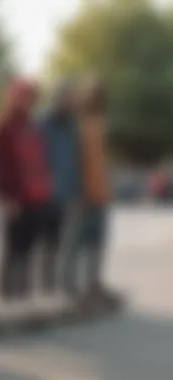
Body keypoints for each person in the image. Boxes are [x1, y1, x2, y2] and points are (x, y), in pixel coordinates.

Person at [0, 79, 54, 302]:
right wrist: (6, 197)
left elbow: (40, 161)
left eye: (28, 97)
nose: (25, 101)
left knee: (29, 247)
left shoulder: (33, 126)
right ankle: (6, 292)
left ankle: (23, 291)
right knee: (13, 248)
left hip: (35, 196)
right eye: (21, 96)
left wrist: (45, 189)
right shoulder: (4, 127)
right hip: (15, 198)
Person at [77, 78, 121, 310]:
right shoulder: (81, 125)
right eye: (94, 94)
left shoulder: (100, 123)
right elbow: (78, 162)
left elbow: (103, 161)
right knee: (83, 242)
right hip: (86, 193)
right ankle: (81, 286)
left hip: (101, 192)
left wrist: (107, 187)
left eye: (100, 95)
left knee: (98, 242)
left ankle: (94, 283)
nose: (97, 98)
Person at [38, 80, 82, 296]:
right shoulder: (42, 123)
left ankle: (64, 284)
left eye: (72, 99)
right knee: (47, 244)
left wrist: (76, 191)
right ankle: (45, 287)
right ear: (56, 99)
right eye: (66, 98)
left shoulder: (72, 125)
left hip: (68, 192)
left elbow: (75, 160)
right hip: (46, 193)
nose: (70, 102)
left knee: (65, 242)